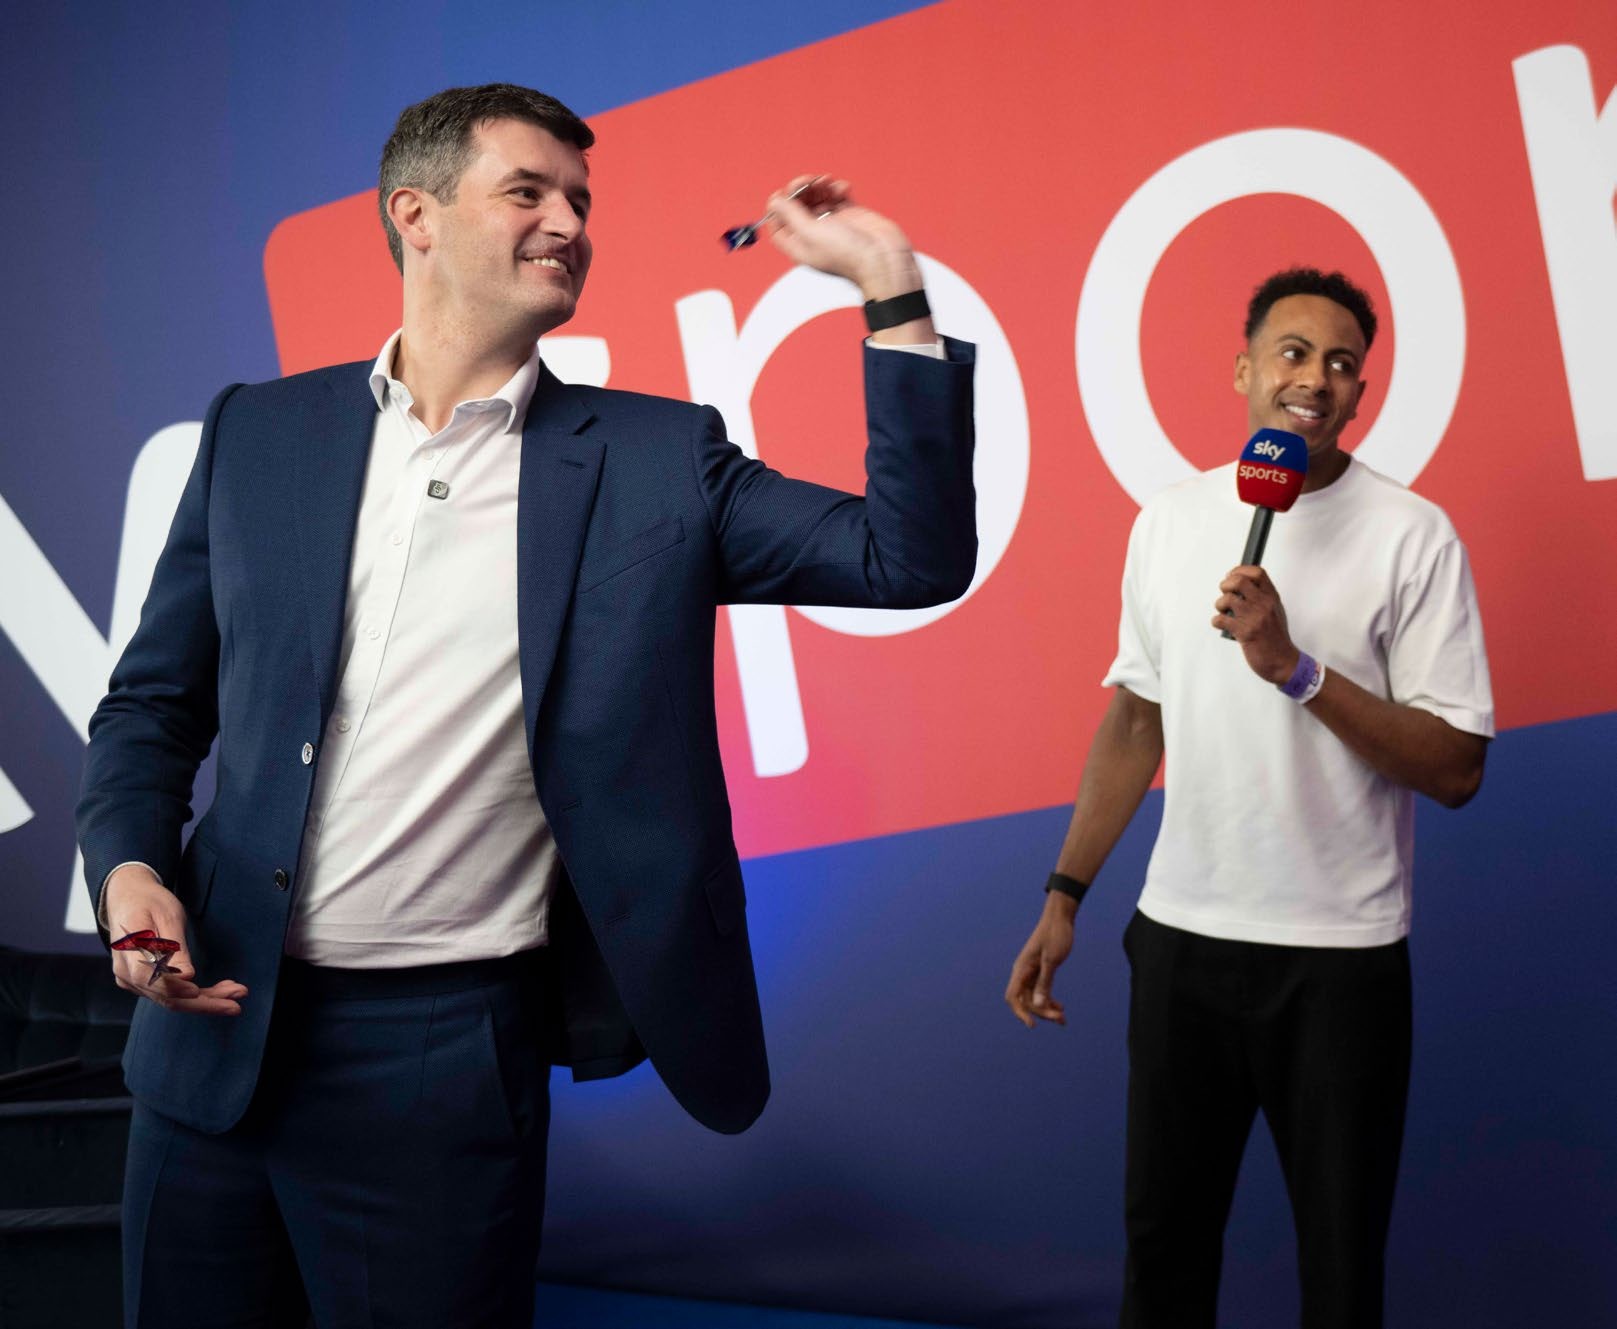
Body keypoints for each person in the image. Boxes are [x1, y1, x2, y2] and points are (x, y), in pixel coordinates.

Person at [77, 83, 976, 1328]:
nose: (569, 223)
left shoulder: (663, 459)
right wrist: (126, 866)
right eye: (529, 192)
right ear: (418, 215)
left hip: (444, 1062)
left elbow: (907, 559)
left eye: (581, 202)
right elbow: (153, 707)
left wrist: (888, 281)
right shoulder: (258, 434)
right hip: (211, 1045)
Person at [1005, 268, 1493, 1329]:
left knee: (1340, 1271)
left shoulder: (1414, 536)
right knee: (1163, 1256)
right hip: (1181, 945)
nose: (1315, 378)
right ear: (1243, 370)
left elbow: (1457, 766)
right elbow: (1138, 722)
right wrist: (1065, 892)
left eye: (1342, 363)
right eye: (1292, 352)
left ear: (1361, 394)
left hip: (1342, 964)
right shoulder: (1170, 521)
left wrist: (1295, 668)